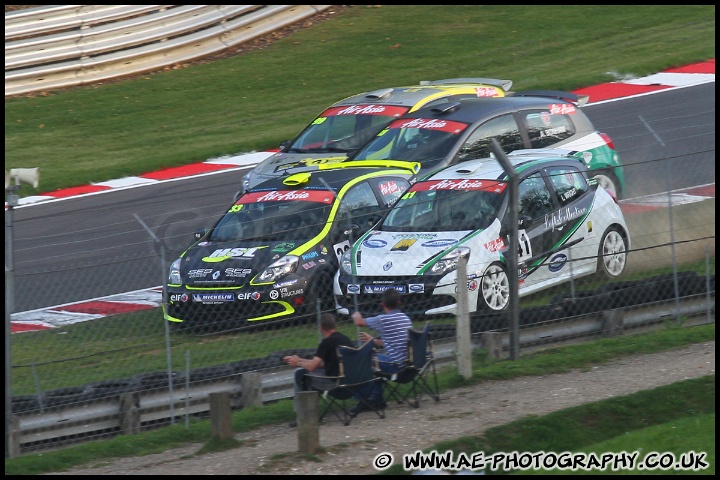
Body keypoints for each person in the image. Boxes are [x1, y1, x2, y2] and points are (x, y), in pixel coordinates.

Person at [282, 313, 353, 427]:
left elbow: (312, 367)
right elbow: (326, 364)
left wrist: (298, 363)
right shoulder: (345, 339)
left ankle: (304, 415)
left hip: (334, 383)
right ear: (335, 325)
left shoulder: (326, 343)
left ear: (321, 328)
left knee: (300, 374)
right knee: (307, 373)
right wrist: (300, 359)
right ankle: (310, 412)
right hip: (351, 383)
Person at [350, 288, 413, 413]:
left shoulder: (383, 320)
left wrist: (355, 313)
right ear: (399, 302)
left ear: (382, 304)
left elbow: (359, 322)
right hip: (407, 363)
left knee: (362, 360)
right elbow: (394, 342)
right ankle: (376, 397)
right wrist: (373, 340)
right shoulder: (406, 319)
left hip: (395, 365)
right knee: (373, 357)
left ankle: (367, 399)